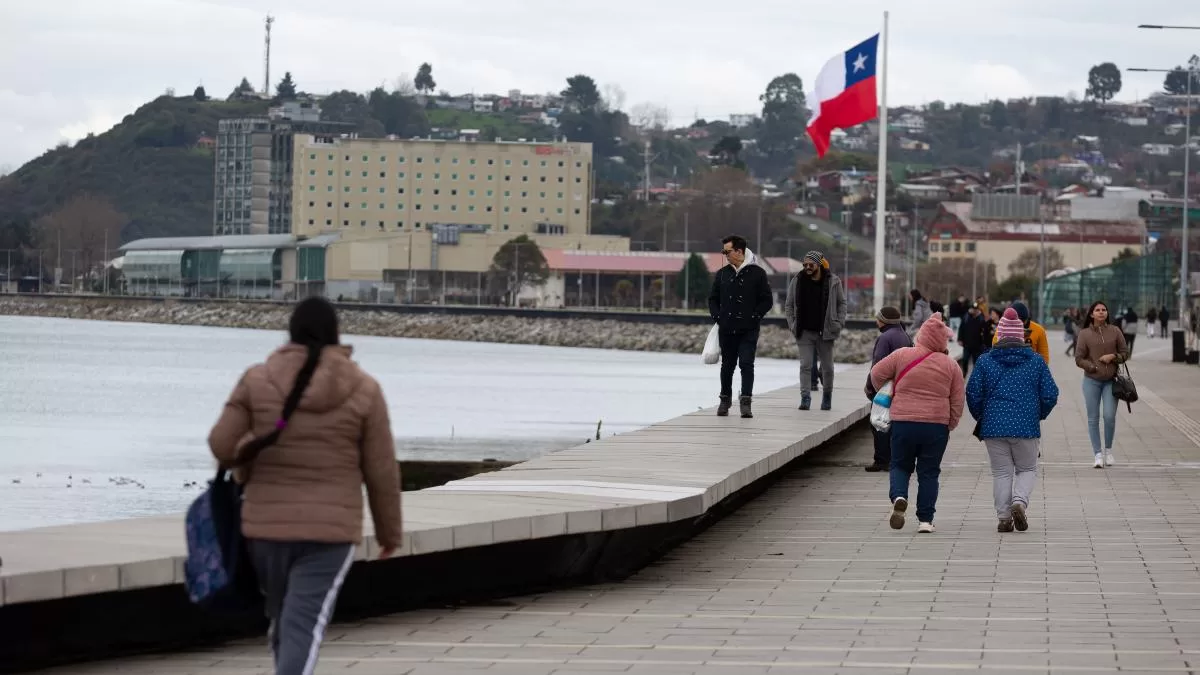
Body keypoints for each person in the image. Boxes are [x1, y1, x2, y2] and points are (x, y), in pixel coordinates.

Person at [208, 297, 402, 675]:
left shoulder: (256, 379)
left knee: (285, 620)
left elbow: (221, 445)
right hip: (330, 534)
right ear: (336, 334)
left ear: (291, 332)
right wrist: (389, 532)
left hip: (264, 529)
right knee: (301, 624)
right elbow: (381, 469)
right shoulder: (364, 389)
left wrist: (252, 446)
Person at [870, 312, 966, 534]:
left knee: (900, 465)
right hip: (936, 426)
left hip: (903, 422)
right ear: (942, 340)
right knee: (929, 472)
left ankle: (900, 496)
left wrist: (886, 391)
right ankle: (925, 520)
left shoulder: (902, 355)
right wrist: (950, 423)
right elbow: (957, 399)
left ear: (921, 336)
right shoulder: (950, 365)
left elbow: (876, 374)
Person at [966, 308, 1059, 533]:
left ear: (998, 335)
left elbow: (972, 393)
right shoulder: (1036, 361)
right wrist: (1039, 414)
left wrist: (981, 415)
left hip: (993, 427)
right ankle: (1019, 501)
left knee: (1001, 473)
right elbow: (1050, 394)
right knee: (1027, 469)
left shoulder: (985, 361)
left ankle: (1004, 519)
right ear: (1021, 335)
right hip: (1026, 426)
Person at [709, 234, 774, 418]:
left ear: (739, 251)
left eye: (727, 251)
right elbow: (713, 299)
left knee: (746, 364)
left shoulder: (758, 273)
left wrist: (755, 316)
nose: (725, 255)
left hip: (749, 329)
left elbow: (767, 300)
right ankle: (725, 400)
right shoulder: (722, 274)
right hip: (727, 327)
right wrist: (717, 316)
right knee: (727, 366)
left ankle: (746, 402)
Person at [784, 250, 847, 411]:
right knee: (805, 365)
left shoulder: (833, 281)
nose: (807, 267)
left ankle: (827, 396)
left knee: (828, 367)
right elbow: (789, 305)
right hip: (804, 332)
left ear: (818, 264)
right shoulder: (797, 280)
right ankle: (805, 398)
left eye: (810, 264)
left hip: (826, 332)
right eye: (804, 264)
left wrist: (838, 323)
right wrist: (792, 324)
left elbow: (841, 303)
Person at [1074, 301, 1130, 468]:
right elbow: (1078, 358)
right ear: (1091, 314)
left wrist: (1113, 356)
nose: (1101, 312)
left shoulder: (1115, 331)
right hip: (1091, 381)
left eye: (1104, 310)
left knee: (1109, 416)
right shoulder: (1084, 334)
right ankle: (1097, 454)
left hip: (1111, 381)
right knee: (1093, 418)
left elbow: (1125, 353)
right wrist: (1092, 367)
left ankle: (1108, 450)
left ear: (1107, 313)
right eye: (1097, 310)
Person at [864, 306, 913, 472]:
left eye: (878, 318)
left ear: (884, 320)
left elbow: (878, 365)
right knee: (895, 424)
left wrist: (870, 386)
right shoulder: (905, 335)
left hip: (886, 387)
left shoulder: (885, 338)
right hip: (902, 386)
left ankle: (882, 460)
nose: (876, 321)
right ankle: (895, 459)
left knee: (878, 422)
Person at [957, 303, 987, 376]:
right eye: (973, 309)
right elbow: (961, 329)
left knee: (976, 361)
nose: (974, 311)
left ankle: (975, 375)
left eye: (976, 309)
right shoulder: (966, 317)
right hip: (967, 344)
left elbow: (984, 331)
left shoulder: (981, 319)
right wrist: (960, 339)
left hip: (977, 345)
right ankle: (964, 372)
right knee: (965, 359)